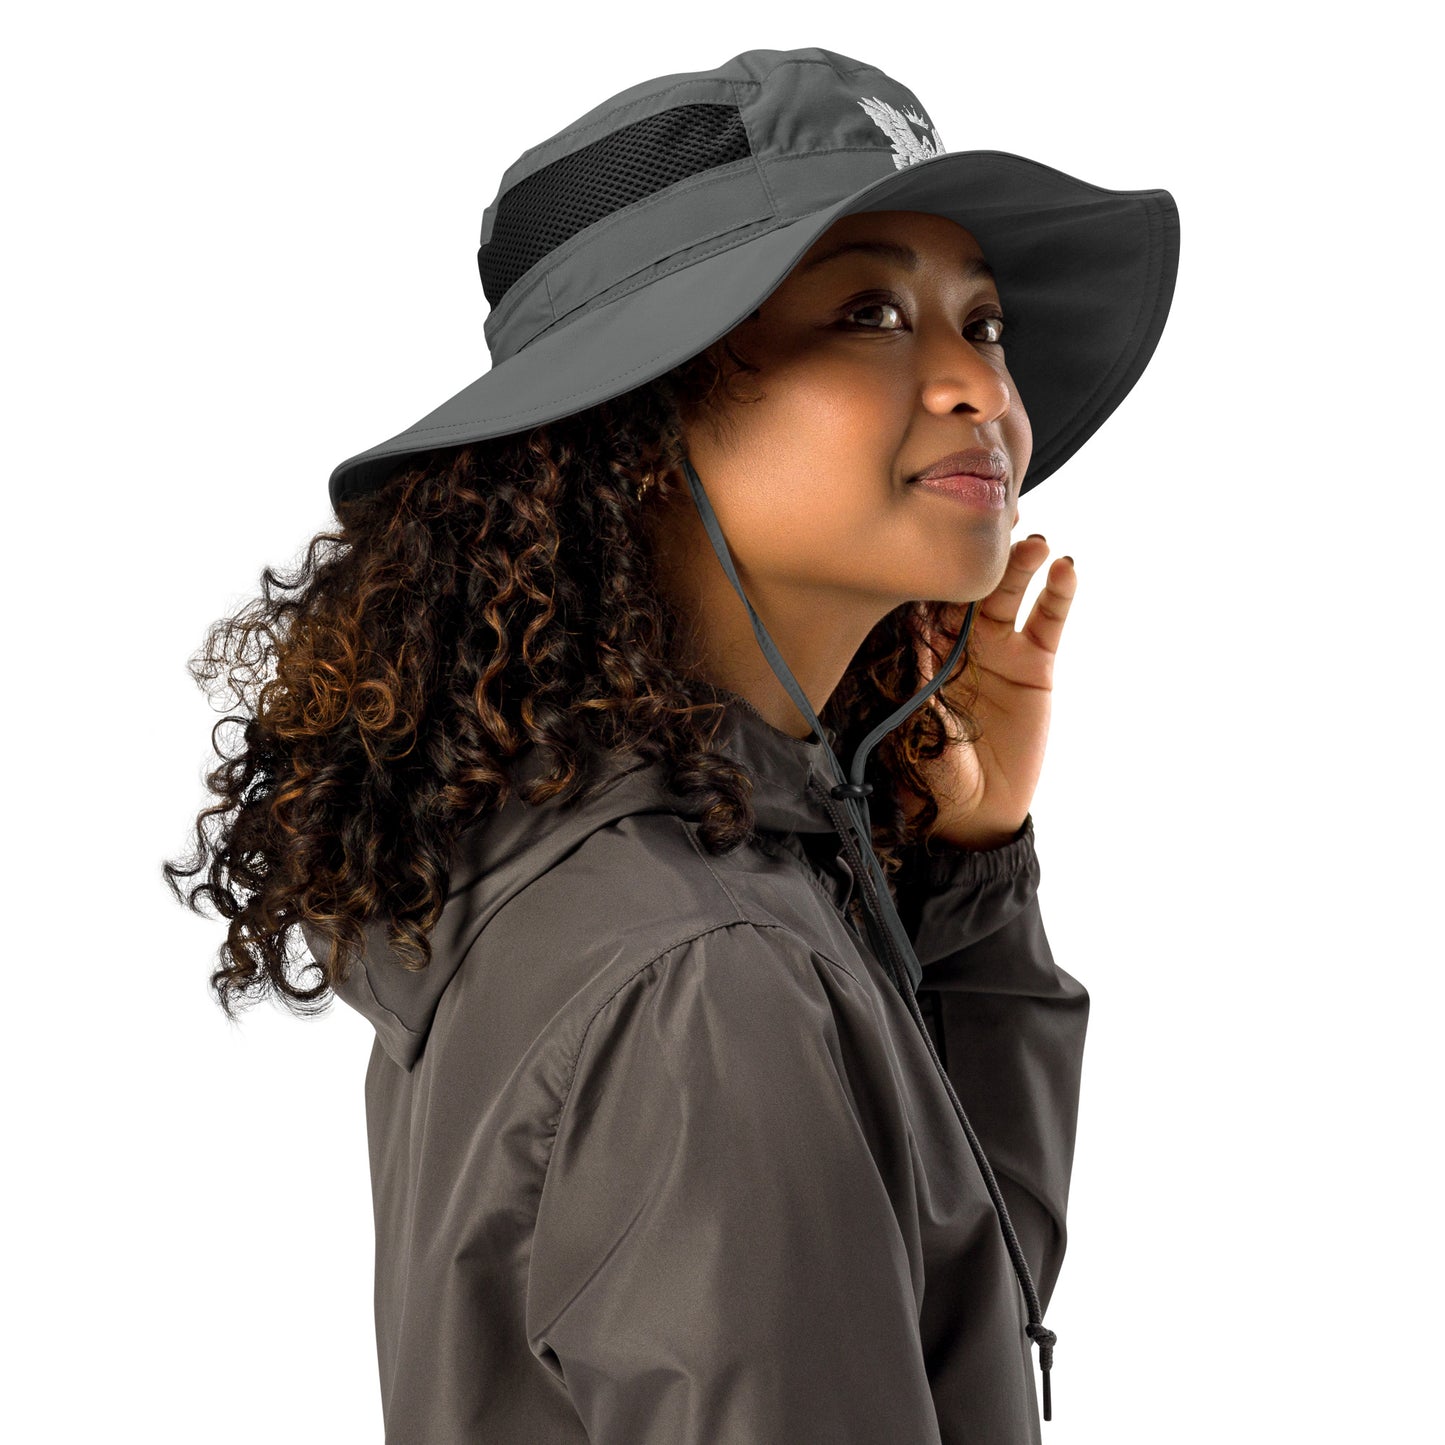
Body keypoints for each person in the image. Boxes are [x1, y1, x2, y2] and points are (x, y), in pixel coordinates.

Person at [164, 46, 1179, 1444]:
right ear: (639, 415)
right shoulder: (704, 974)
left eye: (985, 320)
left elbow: (948, 1331)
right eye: (872, 311)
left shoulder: (627, 871)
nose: (977, 387)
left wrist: (966, 876)